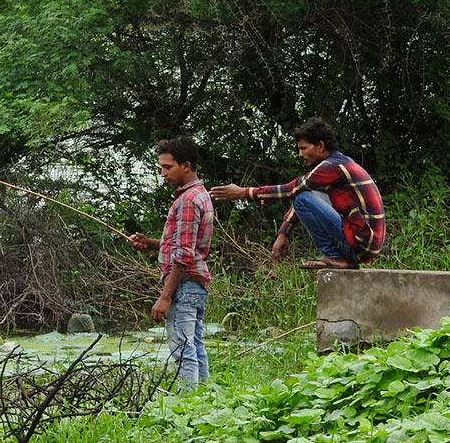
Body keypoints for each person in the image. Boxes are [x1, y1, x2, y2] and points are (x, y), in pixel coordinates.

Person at [211, 117, 384, 270]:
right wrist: (283, 232)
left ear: (320, 146)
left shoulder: (332, 167)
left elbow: (291, 190)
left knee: (302, 198)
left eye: (304, 148)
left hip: (361, 244)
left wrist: (244, 192)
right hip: (365, 244)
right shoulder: (340, 163)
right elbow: (306, 192)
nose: (300, 154)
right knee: (304, 196)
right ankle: (340, 258)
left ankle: (334, 256)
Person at [128, 136, 214, 390]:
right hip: (195, 285)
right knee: (194, 344)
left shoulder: (187, 201)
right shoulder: (200, 195)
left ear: (186, 166)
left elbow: (185, 255)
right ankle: (203, 398)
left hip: (184, 285)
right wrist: (151, 243)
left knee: (182, 348)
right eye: (161, 168)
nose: (163, 173)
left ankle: (189, 404)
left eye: (168, 167)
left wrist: (165, 297)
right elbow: (186, 244)